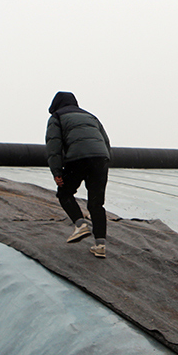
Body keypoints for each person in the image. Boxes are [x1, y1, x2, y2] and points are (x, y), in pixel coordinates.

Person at [46, 91, 111, 258]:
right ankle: (100, 245)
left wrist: (57, 172)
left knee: (64, 193)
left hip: (78, 158)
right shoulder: (91, 116)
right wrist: (104, 163)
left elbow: (54, 146)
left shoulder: (57, 117)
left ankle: (80, 225)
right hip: (101, 158)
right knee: (96, 204)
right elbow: (106, 141)